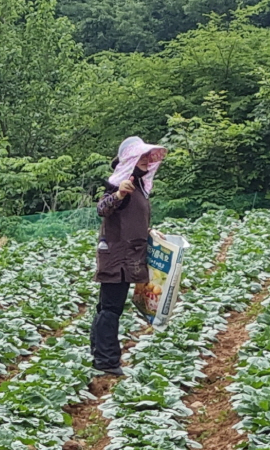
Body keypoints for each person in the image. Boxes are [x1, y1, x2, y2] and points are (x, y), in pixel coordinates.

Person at [91, 136, 167, 376]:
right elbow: (102, 209)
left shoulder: (139, 187)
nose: (146, 160)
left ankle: (100, 355)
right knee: (111, 308)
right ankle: (107, 362)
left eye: (148, 156)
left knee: (107, 306)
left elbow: (127, 221)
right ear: (131, 160)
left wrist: (148, 231)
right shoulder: (120, 184)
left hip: (128, 254)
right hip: (118, 256)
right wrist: (119, 195)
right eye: (141, 156)